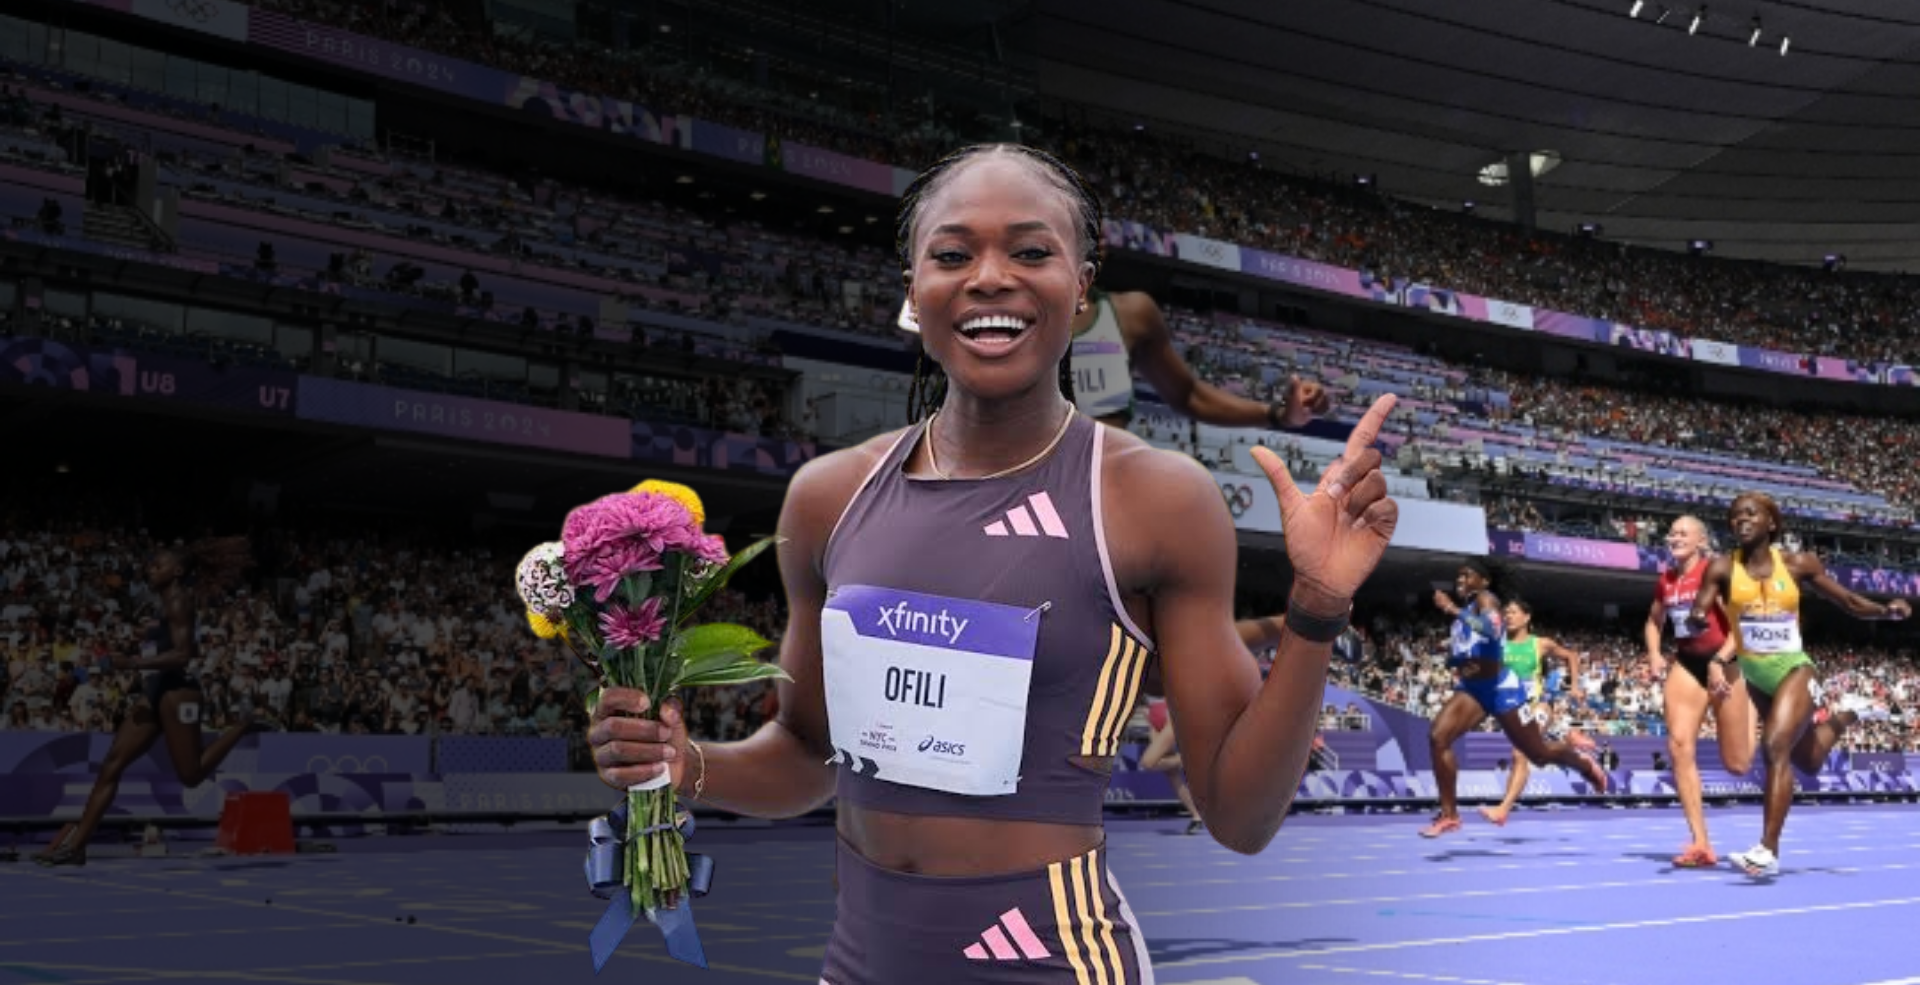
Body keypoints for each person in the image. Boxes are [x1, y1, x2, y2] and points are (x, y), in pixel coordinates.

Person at [588, 142, 1401, 983]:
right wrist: (686, 765)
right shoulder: (827, 498)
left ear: (1082, 287)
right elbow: (806, 753)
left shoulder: (1156, 500)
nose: (989, 277)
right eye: (951, 254)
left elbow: (1239, 815)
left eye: (1031, 251)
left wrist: (1316, 606)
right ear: (913, 290)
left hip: (1054, 959)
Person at [901, 253, 1333, 659]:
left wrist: (1278, 415)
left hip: (1102, 506)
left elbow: (1188, 394)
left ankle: (1288, 626)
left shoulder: (1130, 314)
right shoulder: (998, 316)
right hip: (1014, 500)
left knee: (1154, 657)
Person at [1688, 493, 1907, 877]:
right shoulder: (1721, 568)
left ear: (1771, 523)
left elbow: (1849, 601)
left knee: (1775, 747)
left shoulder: (1798, 564)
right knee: (1807, 760)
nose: (1742, 519)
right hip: (1756, 675)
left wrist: (1885, 611)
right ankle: (1846, 715)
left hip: (1794, 668)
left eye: (1751, 513)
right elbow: (1700, 606)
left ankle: (1767, 850)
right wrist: (1695, 619)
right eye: (1736, 515)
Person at [35, 537, 256, 867]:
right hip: (155, 689)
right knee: (112, 765)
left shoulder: (179, 600)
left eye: (158, 565)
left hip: (178, 691)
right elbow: (167, 645)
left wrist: (133, 663)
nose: (150, 570)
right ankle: (77, 847)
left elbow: (184, 654)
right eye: (151, 565)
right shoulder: (163, 602)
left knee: (191, 775)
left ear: (177, 571)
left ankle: (241, 726)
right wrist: (138, 647)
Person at [1421, 561, 1609, 838]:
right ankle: (1449, 815)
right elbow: (1477, 646)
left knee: (1538, 755)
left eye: (1467, 575)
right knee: (1438, 737)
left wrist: (1451, 608)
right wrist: (1455, 658)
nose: (1460, 579)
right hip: (1473, 689)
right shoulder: (1468, 610)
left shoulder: (1486, 599)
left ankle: (1584, 765)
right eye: (1458, 575)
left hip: (1502, 689)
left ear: (1484, 581)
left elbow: (1492, 630)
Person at [1643, 514, 1754, 869]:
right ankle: (1701, 843)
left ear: (1701, 541)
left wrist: (1720, 660)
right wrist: (1655, 653)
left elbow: (1741, 625)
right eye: (1671, 532)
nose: (1674, 537)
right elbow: (1654, 621)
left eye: (1682, 533)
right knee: (1678, 746)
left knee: (1737, 765)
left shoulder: (1715, 573)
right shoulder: (1666, 580)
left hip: (1726, 662)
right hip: (1688, 663)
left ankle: (1755, 704)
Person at [1476, 598, 1586, 827]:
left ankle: (1502, 809)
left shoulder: (1540, 644)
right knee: (1531, 755)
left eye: (1513, 612)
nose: (1508, 616)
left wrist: (1574, 686)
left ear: (1526, 617)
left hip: (1538, 706)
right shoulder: (1499, 644)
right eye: (1506, 613)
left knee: (1520, 753)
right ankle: (1569, 747)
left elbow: (1571, 656)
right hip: (1512, 711)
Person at [1138, 698, 1203, 835]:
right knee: (1172, 774)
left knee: (1147, 763)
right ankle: (1197, 816)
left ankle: (1187, 760)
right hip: (1152, 716)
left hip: (1169, 713)